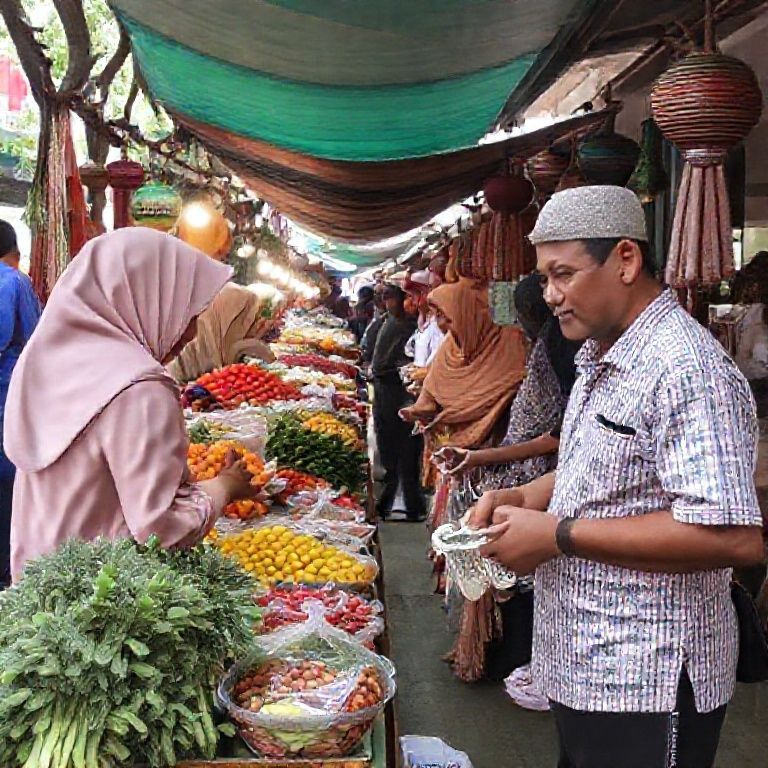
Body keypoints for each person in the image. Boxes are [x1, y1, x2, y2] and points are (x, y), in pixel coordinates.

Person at [470, 186, 765, 768]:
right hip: (584, 663)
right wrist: (523, 494)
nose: (550, 296)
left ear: (626, 260)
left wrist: (557, 535)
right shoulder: (600, 354)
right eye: (545, 279)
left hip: (649, 678)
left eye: (563, 275)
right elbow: (595, 466)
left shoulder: (686, 370)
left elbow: (734, 538)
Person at [4, 229, 260, 582]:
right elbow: (160, 530)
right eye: (187, 311)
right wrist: (224, 487)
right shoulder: (140, 387)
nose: (192, 333)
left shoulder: (47, 363)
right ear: (145, 297)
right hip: (103, 607)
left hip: (39, 599)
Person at [438, 273, 580, 700]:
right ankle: (507, 657)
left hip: (535, 476)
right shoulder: (552, 345)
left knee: (518, 581)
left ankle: (517, 659)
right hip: (524, 480)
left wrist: (483, 458)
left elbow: (556, 436)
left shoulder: (561, 347)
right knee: (508, 578)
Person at [0, 221, 42, 586]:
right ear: (12, 253)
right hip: (7, 405)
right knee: (10, 495)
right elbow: (38, 343)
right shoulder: (14, 281)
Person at [371, 284, 424, 521]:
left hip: (401, 395)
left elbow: (404, 364)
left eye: (391, 297)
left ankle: (411, 506)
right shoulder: (390, 320)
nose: (387, 302)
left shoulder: (409, 326)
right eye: (384, 298)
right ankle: (385, 505)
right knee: (390, 451)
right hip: (386, 393)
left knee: (404, 453)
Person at [168, 282, 275, 383]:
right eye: (244, 318)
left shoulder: (219, 337)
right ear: (230, 315)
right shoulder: (188, 345)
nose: (247, 325)